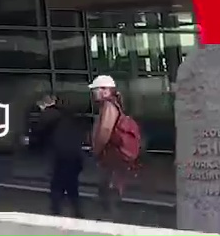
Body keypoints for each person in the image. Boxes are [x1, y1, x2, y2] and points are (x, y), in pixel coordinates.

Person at [87, 75, 139, 220]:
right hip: (113, 155)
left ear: (105, 90)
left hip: (112, 155)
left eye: (96, 90)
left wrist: (96, 149)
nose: (93, 93)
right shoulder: (112, 105)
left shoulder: (109, 106)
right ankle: (109, 217)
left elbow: (105, 130)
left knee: (109, 189)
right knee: (108, 187)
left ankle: (111, 221)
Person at [27, 93, 86, 217]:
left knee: (57, 184)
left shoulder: (47, 114)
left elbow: (39, 134)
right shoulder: (67, 113)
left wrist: (29, 142)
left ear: (42, 104)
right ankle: (77, 211)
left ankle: (56, 212)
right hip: (75, 153)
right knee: (72, 184)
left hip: (60, 154)